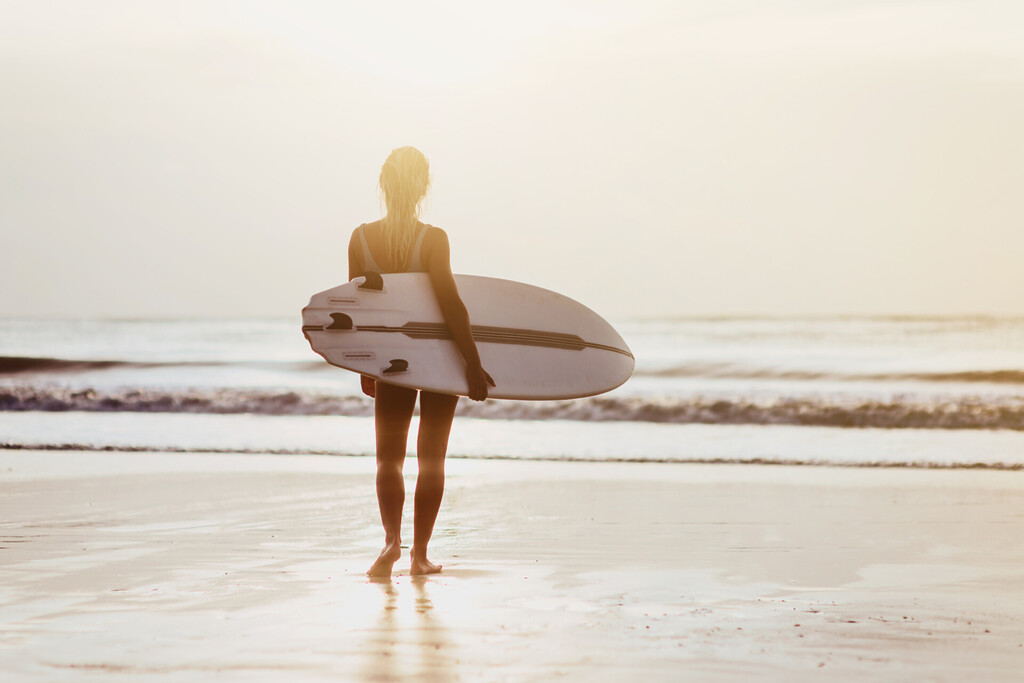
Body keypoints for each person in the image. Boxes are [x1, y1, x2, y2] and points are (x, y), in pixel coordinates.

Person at [348, 146, 494, 578]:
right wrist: (471, 361)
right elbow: (450, 304)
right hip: (439, 358)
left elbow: (359, 311)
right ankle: (419, 556)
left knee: (387, 460)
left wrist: (364, 365)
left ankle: (392, 542)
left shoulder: (360, 239)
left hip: (392, 360)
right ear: (423, 186)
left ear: (383, 183)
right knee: (432, 460)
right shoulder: (433, 239)